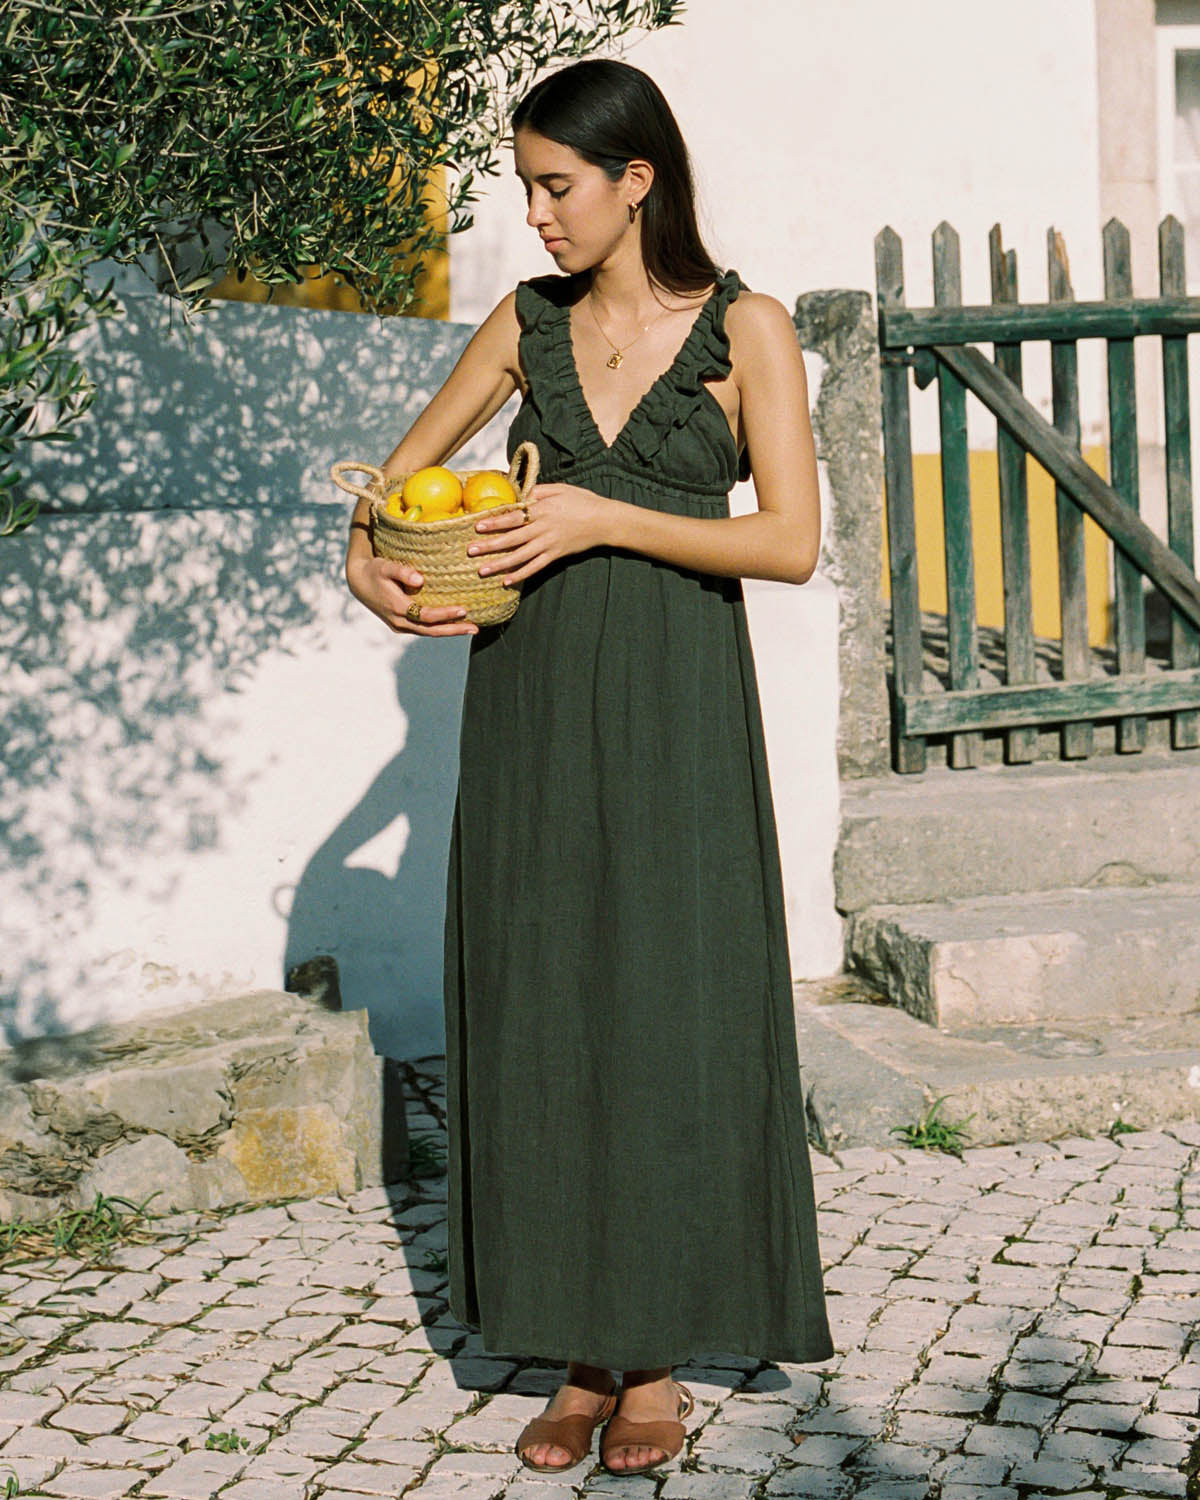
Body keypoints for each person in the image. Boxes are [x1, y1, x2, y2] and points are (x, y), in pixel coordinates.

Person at [344, 56, 833, 1479]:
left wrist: (600, 519)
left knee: (667, 1005)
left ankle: (658, 1356)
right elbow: (383, 498)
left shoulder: (749, 329)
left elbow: (788, 543)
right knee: (543, 999)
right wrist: (372, 573)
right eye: (527, 188)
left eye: (558, 188)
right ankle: (571, 1348)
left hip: (680, 700)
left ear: (638, 182)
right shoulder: (524, 322)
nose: (536, 216)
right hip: (536, 701)